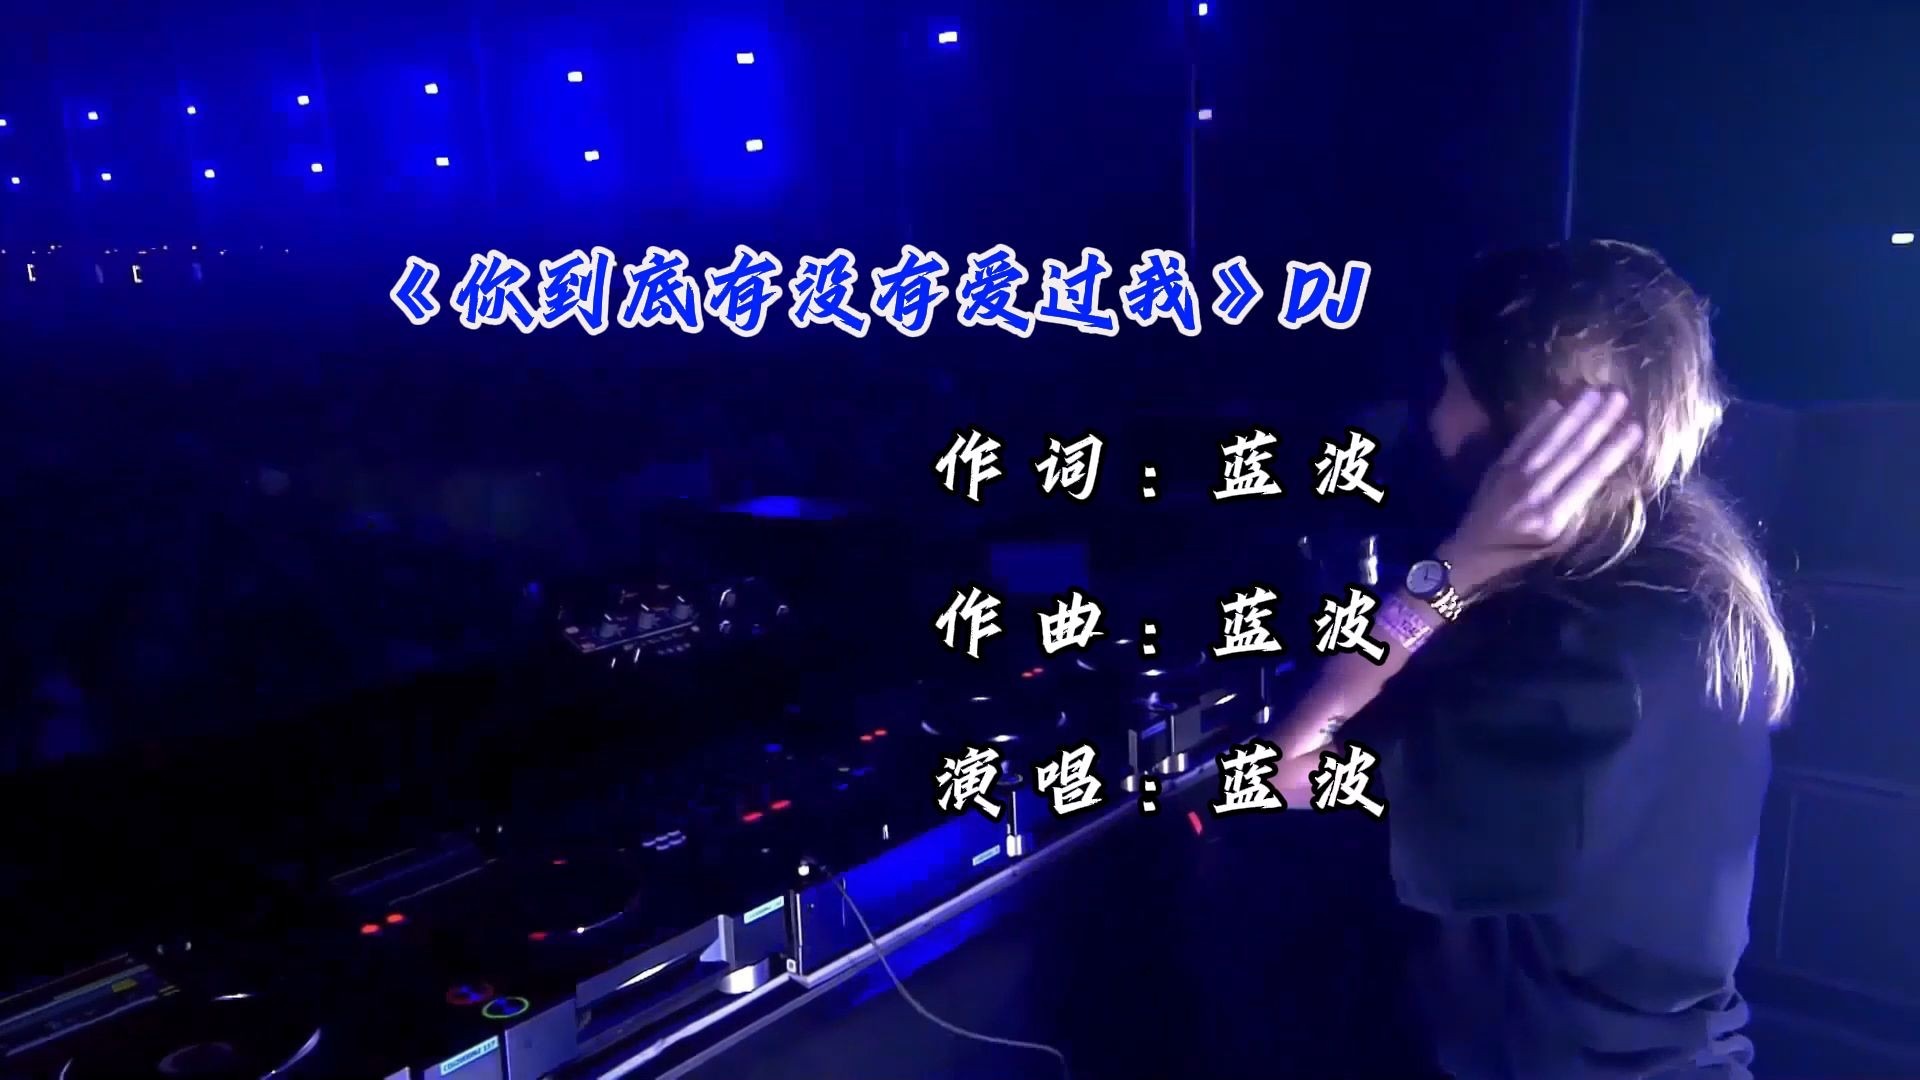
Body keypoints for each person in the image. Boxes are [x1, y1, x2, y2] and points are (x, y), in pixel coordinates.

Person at [1270, 240, 1795, 1079]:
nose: (1434, 419)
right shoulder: (1695, 585)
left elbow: (1283, 771)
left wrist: (1452, 569)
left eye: (1452, 385)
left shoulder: (1572, 659)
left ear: (1531, 424)